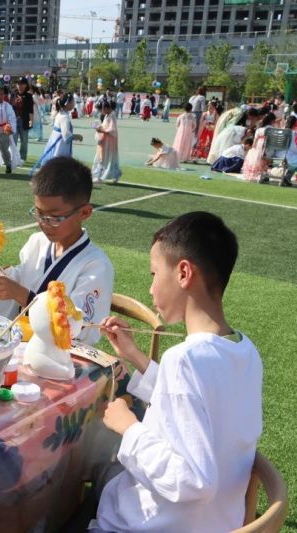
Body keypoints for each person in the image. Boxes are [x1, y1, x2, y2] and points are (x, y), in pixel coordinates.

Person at [94, 212, 262, 533]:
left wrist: (128, 426)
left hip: (155, 524)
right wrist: (135, 355)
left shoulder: (184, 360)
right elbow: (195, 404)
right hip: (216, 522)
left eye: (154, 273)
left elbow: (192, 481)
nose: (150, 288)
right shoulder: (245, 351)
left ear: (184, 272)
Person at [0, 157, 114, 341]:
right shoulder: (37, 242)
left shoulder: (96, 265)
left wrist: (21, 294)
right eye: (39, 213)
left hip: (61, 356)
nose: (44, 223)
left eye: (55, 217)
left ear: (85, 212)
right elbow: (21, 278)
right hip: (20, 343)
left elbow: (82, 328)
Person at [29, 93, 84, 175]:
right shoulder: (64, 117)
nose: (74, 104)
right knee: (58, 164)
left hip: (56, 140)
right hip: (60, 144)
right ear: (68, 103)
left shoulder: (60, 114)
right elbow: (66, 136)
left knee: (53, 163)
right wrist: (78, 136)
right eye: (73, 102)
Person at [92, 101, 122, 183]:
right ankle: (102, 176)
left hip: (109, 141)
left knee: (106, 158)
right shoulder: (107, 115)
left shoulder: (112, 115)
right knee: (103, 157)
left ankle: (100, 177)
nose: (101, 111)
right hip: (105, 140)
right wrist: (99, 127)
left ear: (105, 108)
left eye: (101, 109)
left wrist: (101, 130)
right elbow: (105, 126)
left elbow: (112, 129)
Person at [242, 112, 276, 182]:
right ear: (271, 121)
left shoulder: (259, 130)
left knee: (257, 157)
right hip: (269, 150)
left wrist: (253, 150)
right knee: (266, 158)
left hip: (259, 149)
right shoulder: (273, 129)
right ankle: (264, 173)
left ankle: (260, 174)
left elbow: (255, 142)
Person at [12, 77, 35, 162]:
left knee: (24, 141)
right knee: (13, 140)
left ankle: (22, 157)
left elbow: (31, 111)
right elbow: (10, 108)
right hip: (14, 121)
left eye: (22, 84)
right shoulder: (13, 94)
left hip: (24, 121)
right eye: (18, 84)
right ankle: (13, 156)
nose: (20, 86)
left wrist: (30, 123)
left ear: (26, 85)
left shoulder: (29, 96)